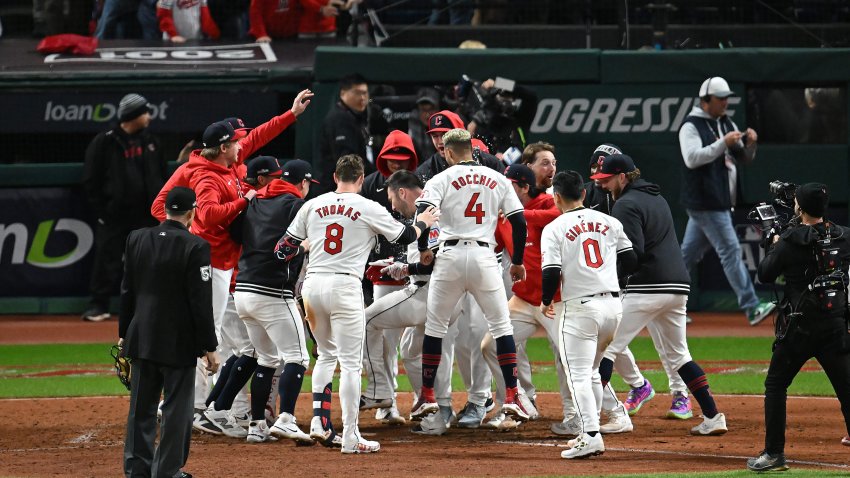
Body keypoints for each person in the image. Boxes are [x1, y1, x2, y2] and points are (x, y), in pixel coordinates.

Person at [276, 154, 439, 454]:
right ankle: (350, 436)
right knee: (350, 364)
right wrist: (423, 223)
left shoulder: (312, 205)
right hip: (344, 285)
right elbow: (404, 237)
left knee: (325, 356)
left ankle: (319, 421)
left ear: (335, 177)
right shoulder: (367, 206)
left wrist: (308, 245)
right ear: (362, 178)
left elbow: (282, 250)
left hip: (313, 285)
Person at [594, 154, 729, 437]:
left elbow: (633, 254)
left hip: (648, 287)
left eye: (606, 180)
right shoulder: (658, 198)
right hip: (678, 287)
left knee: (607, 350)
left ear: (623, 176)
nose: (603, 185)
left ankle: (592, 420)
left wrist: (612, 279)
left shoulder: (626, 204)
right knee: (680, 356)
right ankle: (713, 416)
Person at [411, 128, 530, 424]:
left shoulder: (440, 178)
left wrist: (425, 248)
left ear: (449, 152)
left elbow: (423, 214)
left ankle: (426, 396)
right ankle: (513, 397)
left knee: (436, 328)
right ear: (471, 150)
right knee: (501, 328)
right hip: (484, 257)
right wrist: (516, 261)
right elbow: (519, 222)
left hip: (449, 256)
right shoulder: (497, 178)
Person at [747, 183, 850, 472]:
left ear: (800, 208)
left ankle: (774, 454)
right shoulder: (843, 236)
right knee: (846, 389)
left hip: (799, 327)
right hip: (835, 325)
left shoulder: (791, 240)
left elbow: (766, 274)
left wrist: (774, 241)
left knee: (776, 385)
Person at [120, 186, 219, 478]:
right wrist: (209, 346)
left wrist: (124, 333)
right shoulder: (196, 246)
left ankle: (137, 471)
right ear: (192, 213)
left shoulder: (136, 238)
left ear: (165, 210)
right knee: (177, 410)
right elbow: (200, 302)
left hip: (141, 336)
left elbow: (127, 290)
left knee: (140, 408)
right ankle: (166, 472)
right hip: (178, 341)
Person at [539, 170, 637, 459]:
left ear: (556, 197)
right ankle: (588, 431)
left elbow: (551, 272)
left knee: (578, 375)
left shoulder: (555, 228)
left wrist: (546, 300)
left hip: (580, 308)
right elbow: (631, 261)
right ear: (583, 193)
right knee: (592, 372)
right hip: (613, 306)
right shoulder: (611, 222)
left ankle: (591, 435)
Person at [359, 169, 456, 435]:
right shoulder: (429, 212)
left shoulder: (429, 215)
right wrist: (399, 265)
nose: (391, 206)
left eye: (392, 199)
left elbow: (431, 265)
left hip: (429, 293)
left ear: (402, 192)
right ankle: (436, 408)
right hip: (443, 294)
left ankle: (379, 390)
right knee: (412, 350)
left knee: (366, 320)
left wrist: (405, 269)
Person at [229, 158, 316, 445]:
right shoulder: (296, 205)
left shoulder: (256, 201)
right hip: (272, 290)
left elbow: (233, 233)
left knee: (266, 358)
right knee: (298, 357)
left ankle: (256, 426)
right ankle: (287, 419)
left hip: (242, 289)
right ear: (302, 183)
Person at [679, 76, 776, 326]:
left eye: (726, 98)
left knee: (685, 257)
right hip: (706, 201)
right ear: (705, 100)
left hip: (719, 199)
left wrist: (750, 144)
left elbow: (742, 157)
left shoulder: (725, 122)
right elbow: (692, 158)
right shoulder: (691, 126)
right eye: (720, 98)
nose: (725, 102)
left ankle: (666, 306)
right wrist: (724, 143)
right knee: (731, 251)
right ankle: (752, 305)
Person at [82, 93, 167, 322]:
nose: (149, 117)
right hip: (115, 215)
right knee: (106, 259)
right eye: (145, 112)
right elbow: (92, 180)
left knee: (147, 260)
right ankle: (98, 305)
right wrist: (103, 212)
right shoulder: (105, 141)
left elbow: (162, 176)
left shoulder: (152, 142)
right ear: (133, 115)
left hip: (146, 215)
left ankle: (147, 306)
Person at [360, 129, 420, 424]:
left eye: (403, 159)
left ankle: (427, 402)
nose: (397, 165)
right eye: (391, 160)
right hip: (382, 273)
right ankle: (388, 402)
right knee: (383, 342)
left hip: (418, 274)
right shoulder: (371, 185)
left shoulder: (421, 184)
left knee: (416, 346)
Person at [316, 74, 374, 194]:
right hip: (338, 191)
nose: (363, 97)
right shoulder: (340, 119)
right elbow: (347, 162)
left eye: (365, 93)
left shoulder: (356, 117)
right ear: (343, 93)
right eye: (358, 93)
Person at [156, 0, 220, 42]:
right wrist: (173, 35)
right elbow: (164, 15)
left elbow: (205, 15)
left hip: (195, 37)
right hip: (173, 40)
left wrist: (213, 33)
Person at [408, 87, 439, 161]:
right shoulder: (414, 119)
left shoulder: (445, 123)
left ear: (438, 109)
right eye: (424, 110)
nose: (427, 115)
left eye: (431, 109)